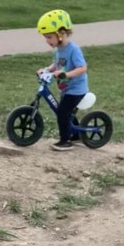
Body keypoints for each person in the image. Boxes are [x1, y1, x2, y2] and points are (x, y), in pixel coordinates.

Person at [36, 9, 88, 151]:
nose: (47, 41)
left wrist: (66, 75)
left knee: (62, 112)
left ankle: (66, 141)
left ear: (61, 33)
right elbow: (57, 64)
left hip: (76, 89)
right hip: (66, 88)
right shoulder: (59, 49)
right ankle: (77, 135)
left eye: (49, 37)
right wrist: (47, 69)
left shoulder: (73, 49)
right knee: (68, 112)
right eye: (45, 38)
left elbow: (82, 68)